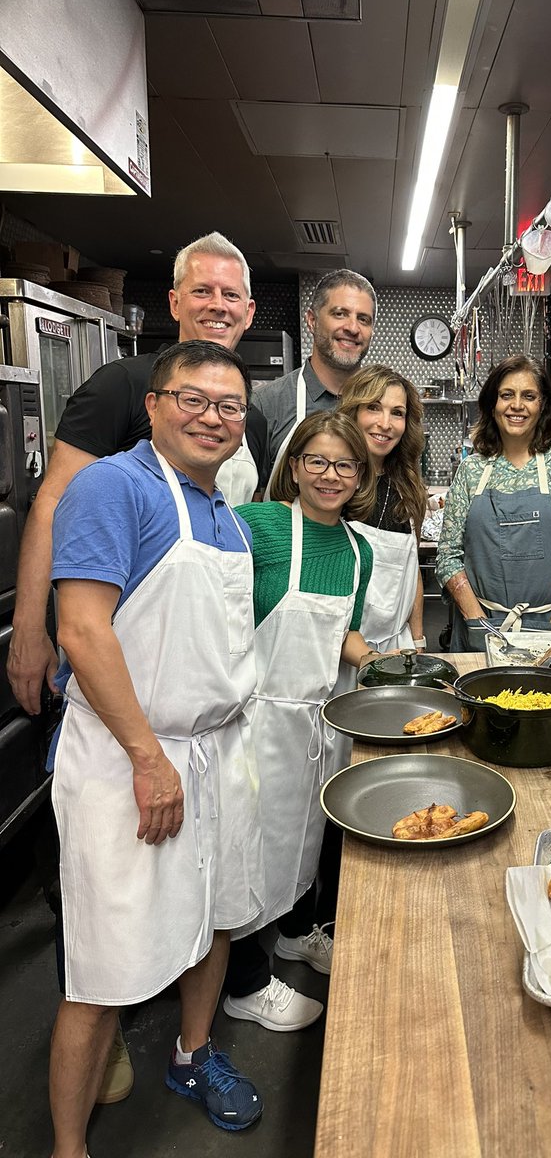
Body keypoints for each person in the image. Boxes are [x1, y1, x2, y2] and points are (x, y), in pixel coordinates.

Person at [48, 340, 266, 1155]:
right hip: (130, 761)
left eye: (229, 406)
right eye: (193, 399)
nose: (212, 418)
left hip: (213, 756)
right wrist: (148, 758)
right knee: (105, 966)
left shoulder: (227, 519)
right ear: (153, 404)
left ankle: (190, 1053)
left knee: (213, 920)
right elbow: (80, 628)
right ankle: (69, 1147)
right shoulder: (115, 487)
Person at [9, 230, 265, 719]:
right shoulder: (122, 385)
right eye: (202, 290)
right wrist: (27, 628)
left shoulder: (245, 417)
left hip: (208, 657)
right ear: (174, 302)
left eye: (231, 294)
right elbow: (52, 504)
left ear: (248, 312)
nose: (218, 306)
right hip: (125, 646)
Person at [221, 412, 378, 1025]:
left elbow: (345, 632)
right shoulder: (257, 526)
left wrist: (382, 662)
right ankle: (243, 987)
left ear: (360, 475)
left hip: (314, 724)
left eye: (344, 465)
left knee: (301, 844)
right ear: (294, 466)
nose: (330, 475)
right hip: (252, 720)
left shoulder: (358, 550)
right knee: (246, 853)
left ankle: (292, 936)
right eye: (317, 461)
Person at [436, 353, 551, 651]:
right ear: (492, 404)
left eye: (529, 396)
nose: (517, 405)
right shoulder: (472, 469)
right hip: (482, 632)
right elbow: (448, 555)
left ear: (543, 406)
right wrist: (476, 620)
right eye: (506, 395)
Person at [254, 269, 377, 493]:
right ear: (312, 321)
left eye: (363, 319)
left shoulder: (382, 409)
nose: (352, 327)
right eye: (340, 314)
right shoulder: (266, 404)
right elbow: (249, 497)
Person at [336, 364, 428, 651]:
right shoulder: (332, 481)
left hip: (395, 647)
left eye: (397, 413)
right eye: (374, 408)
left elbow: (412, 573)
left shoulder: (406, 486)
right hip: (336, 647)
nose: (385, 423)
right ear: (354, 412)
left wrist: (418, 641)